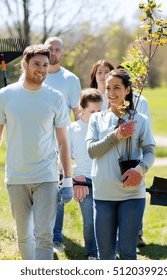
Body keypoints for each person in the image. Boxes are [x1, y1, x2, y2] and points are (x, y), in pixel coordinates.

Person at [0, 44, 73, 260]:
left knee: (44, 236)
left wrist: (68, 179)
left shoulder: (56, 98)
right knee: (23, 235)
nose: (41, 69)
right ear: (24, 65)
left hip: (46, 177)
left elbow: (63, 141)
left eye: (45, 65)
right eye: (37, 64)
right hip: (16, 177)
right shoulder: (5, 95)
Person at [86, 68, 156, 260]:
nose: (111, 92)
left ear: (127, 90)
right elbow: (92, 151)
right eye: (108, 88)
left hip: (132, 194)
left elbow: (150, 151)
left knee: (127, 253)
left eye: (117, 87)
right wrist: (116, 135)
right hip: (103, 194)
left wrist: (139, 170)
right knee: (106, 255)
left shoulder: (140, 120)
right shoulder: (96, 119)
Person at [42, 37, 82, 253]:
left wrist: (75, 145)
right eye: (50, 49)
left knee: (58, 191)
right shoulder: (35, 74)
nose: (54, 53)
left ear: (62, 53)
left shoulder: (70, 80)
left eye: (58, 50)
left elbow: (77, 114)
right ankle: (35, 233)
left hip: (59, 144)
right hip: (36, 142)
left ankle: (56, 238)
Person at [68, 88, 103, 260]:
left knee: (105, 221)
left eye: (99, 111)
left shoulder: (105, 128)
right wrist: (73, 180)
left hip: (103, 180)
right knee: (90, 221)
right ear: (81, 109)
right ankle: (92, 253)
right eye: (92, 112)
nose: (96, 115)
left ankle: (108, 251)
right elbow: (65, 157)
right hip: (83, 181)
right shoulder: (73, 129)